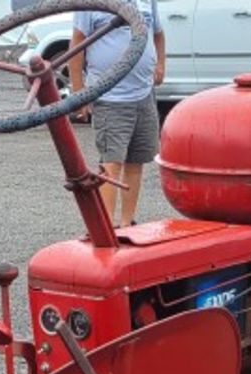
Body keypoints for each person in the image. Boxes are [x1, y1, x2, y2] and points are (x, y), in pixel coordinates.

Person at [67, 0, 163, 228]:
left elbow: (158, 34)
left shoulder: (147, 2)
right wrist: (79, 91)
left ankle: (127, 222)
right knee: (112, 162)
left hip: (143, 93)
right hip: (110, 96)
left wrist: (161, 65)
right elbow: (77, 45)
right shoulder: (89, 4)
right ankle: (107, 225)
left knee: (136, 160)